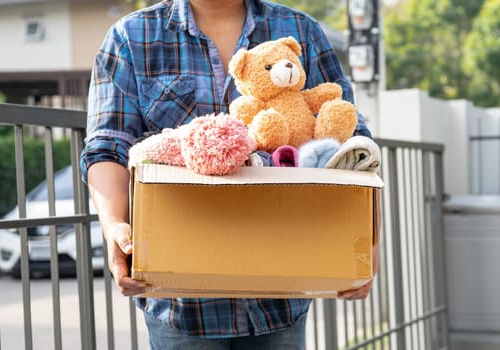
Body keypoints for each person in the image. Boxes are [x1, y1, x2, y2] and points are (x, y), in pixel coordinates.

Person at [80, 0, 379, 348]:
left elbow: (352, 143)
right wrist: (115, 225)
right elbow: (107, 146)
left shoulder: (301, 31)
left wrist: (367, 239)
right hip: (179, 304)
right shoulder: (131, 36)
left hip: (280, 298)